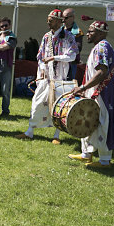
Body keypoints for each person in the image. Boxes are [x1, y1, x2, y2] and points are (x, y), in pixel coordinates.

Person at [68, 21, 114, 168]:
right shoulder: (100, 47)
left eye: (91, 31)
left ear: (100, 33)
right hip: (95, 90)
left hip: (102, 92)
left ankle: (105, 161)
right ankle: (86, 154)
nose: (87, 33)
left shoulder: (102, 48)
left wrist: (83, 87)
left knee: (101, 122)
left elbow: (102, 72)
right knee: (88, 119)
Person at [15, 9, 78, 144]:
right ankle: (30, 131)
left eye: (50, 20)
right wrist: (42, 67)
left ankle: (56, 135)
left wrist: (54, 58)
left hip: (60, 77)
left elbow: (72, 55)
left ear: (58, 21)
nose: (47, 22)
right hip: (46, 77)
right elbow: (40, 56)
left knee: (59, 105)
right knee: (37, 101)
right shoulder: (46, 36)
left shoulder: (68, 36)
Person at [62, 8, 84, 80]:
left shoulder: (77, 32)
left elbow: (78, 48)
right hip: (59, 62)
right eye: (62, 17)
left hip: (71, 63)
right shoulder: (60, 30)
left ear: (73, 17)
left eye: (66, 18)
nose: (63, 20)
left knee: (68, 84)